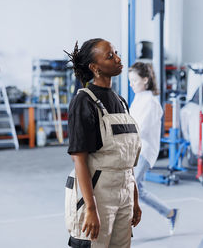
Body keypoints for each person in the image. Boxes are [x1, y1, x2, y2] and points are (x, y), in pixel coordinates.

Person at [64, 38, 142, 248]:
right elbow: (79, 159)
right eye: (110, 56)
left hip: (124, 190)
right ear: (94, 68)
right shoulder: (84, 101)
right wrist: (90, 208)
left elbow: (126, 158)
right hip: (97, 193)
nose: (118, 59)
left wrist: (134, 199)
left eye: (116, 53)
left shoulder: (121, 102)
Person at [128, 62, 179, 235]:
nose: (131, 84)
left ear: (145, 80)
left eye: (134, 81)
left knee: (129, 188)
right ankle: (170, 213)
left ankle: (123, 230)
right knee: (137, 190)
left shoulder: (150, 102)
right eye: (130, 81)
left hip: (144, 151)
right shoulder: (139, 98)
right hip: (134, 150)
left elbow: (139, 128)